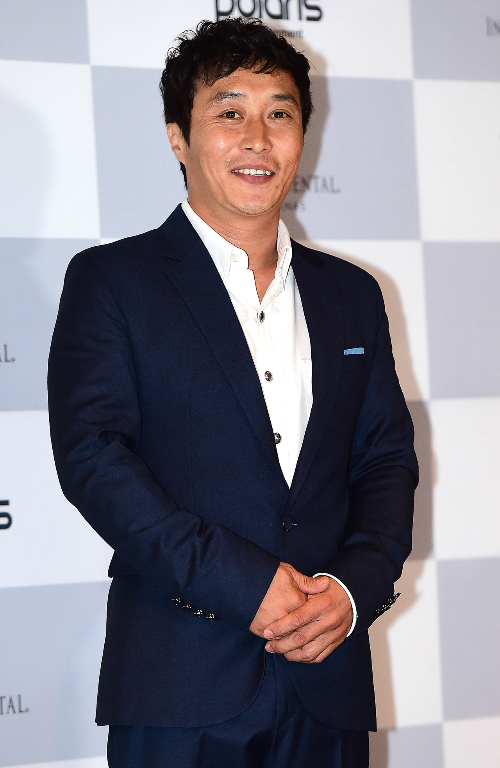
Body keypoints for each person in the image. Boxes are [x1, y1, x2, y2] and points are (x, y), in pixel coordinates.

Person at [48, 18, 418, 768]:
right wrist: (243, 585)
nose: (258, 138)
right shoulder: (113, 282)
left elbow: (385, 462)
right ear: (178, 139)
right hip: (180, 681)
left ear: (303, 135)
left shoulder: (353, 294)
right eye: (229, 111)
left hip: (327, 680)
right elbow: (95, 460)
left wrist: (350, 592)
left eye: (280, 113)